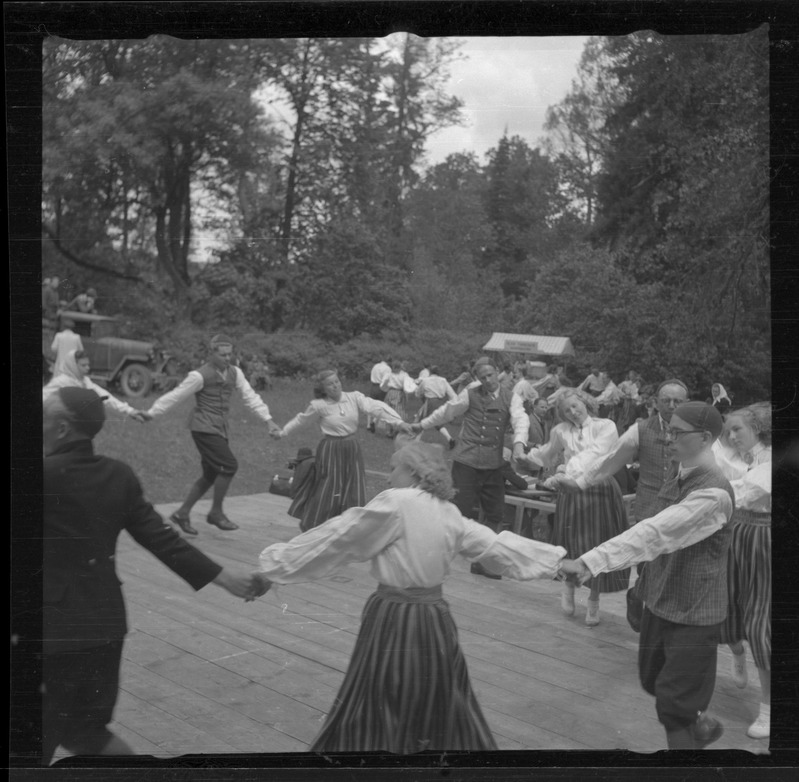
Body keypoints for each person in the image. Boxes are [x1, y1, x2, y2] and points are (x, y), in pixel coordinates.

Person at [254, 441, 569, 753]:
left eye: (393, 469)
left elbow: (337, 536)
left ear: (414, 473)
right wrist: (557, 563)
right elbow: (496, 545)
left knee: (381, 693)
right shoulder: (450, 512)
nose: (388, 477)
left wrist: (273, 566)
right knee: (437, 693)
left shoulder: (396, 502)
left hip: (393, 615)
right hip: (435, 617)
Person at [42, 387, 268, 765]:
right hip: (104, 628)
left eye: (43, 416)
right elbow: (162, 540)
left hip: (50, 635)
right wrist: (226, 578)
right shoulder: (118, 475)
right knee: (85, 732)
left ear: (62, 429)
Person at [559, 401, 734, 750]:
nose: (668, 438)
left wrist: (589, 562)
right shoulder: (680, 472)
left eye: (677, 432)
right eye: (667, 429)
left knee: (672, 704)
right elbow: (609, 462)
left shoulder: (713, 493)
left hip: (695, 611)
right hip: (659, 597)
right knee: (652, 679)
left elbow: (654, 532)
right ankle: (699, 722)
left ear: (704, 438)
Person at [554, 379, 689, 630]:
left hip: (683, 506)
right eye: (666, 400)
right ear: (655, 403)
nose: (671, 405)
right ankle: (639, 596)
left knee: (677, 562)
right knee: (647, 560)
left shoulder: (695, 431)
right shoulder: (640, 429)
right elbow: (612, 460)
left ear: (686, 403)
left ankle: (659, 610)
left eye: (678, 401)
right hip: (649, 504)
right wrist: (581, 482)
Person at [142, 334, 282, 534]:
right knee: (228, 465)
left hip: (219, 428)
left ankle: (182, 513)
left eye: (230, 354)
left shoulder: (235, 373)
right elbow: (176, 395)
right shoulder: (199, 375)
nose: (227, 358)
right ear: (211, 354)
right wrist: (152, 412)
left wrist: (268, 420)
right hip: (203, 427)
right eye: (223, 354)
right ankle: (216, 513)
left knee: (211, 473)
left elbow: (250, 396)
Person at [406, 361, 529, 580]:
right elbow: (446, 411)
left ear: (497, 374)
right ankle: (434, 557)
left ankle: (484, 562)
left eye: (491, 375)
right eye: (483, 377)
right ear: (477, 378)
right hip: (466, 461)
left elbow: (521, 419)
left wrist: (519, 443)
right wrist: (422, 425)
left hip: (493, 464)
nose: (488, 381)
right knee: (455, 512)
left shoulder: (512, 397)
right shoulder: (469, 395)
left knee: (495, 514)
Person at [522, 389, 630, 626]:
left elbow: (598, 454)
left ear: (585, 402)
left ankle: (594, 602)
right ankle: (568, 587)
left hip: (600, 486)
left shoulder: (605, 426)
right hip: (571, 490)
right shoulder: (560, 431)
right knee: (572, 540)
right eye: (566, 410)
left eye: (575, 405)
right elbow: (548, 453)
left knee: (599, 542)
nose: (572, 412)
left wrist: (567, 472)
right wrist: (527, 456)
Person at [273, 369, 405, 532]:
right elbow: (301, 420)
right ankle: (315, 524)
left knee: (353, 485)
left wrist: (399, 423)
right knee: (330, 486)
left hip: (351, 447)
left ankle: (349, 527)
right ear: (323, 389)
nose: (335, 386)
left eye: (336, 381)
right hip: (331, 448)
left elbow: (376, 407)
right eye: (330, 384)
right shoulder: (319, 405)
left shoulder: (353, 397)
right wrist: (282, 432)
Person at [713, 403, 772, 739]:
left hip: (765, 537)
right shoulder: (745, 460)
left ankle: (768, 707)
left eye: (738, 429)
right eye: (728, 431)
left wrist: (708, 494)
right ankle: (736, 650)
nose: (732, 436)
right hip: (739, 533)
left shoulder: (772, 458)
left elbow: (744, 491)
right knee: (730, 606)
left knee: (762, 620)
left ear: (758, 429)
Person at [42, 349, 147, 423]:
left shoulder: (84, 382)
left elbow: (106, 397)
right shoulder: (61, 382)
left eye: (88, 364)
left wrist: (130, 411)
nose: (88, 368)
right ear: (73, 365)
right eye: (83, 365)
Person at [413, 365, 457, 448]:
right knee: (437, 422)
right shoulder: (443, 380)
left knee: (420, 420)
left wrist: (419, 395)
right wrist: (454, 404)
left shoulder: (426, 380)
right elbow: (452, 394)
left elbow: (418, 393)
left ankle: (415, 441)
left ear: (430, 372)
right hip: (440, 402)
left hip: (429, 402)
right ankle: (449, 438)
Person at [367, 356, 392, 432]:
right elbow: (386, 379)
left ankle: (368, 424)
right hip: (380, 387)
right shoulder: (387, 368)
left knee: (371, 406)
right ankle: (374, 421)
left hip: (373, 386)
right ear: (389, 362)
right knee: (381, 406)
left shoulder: (375, 366)